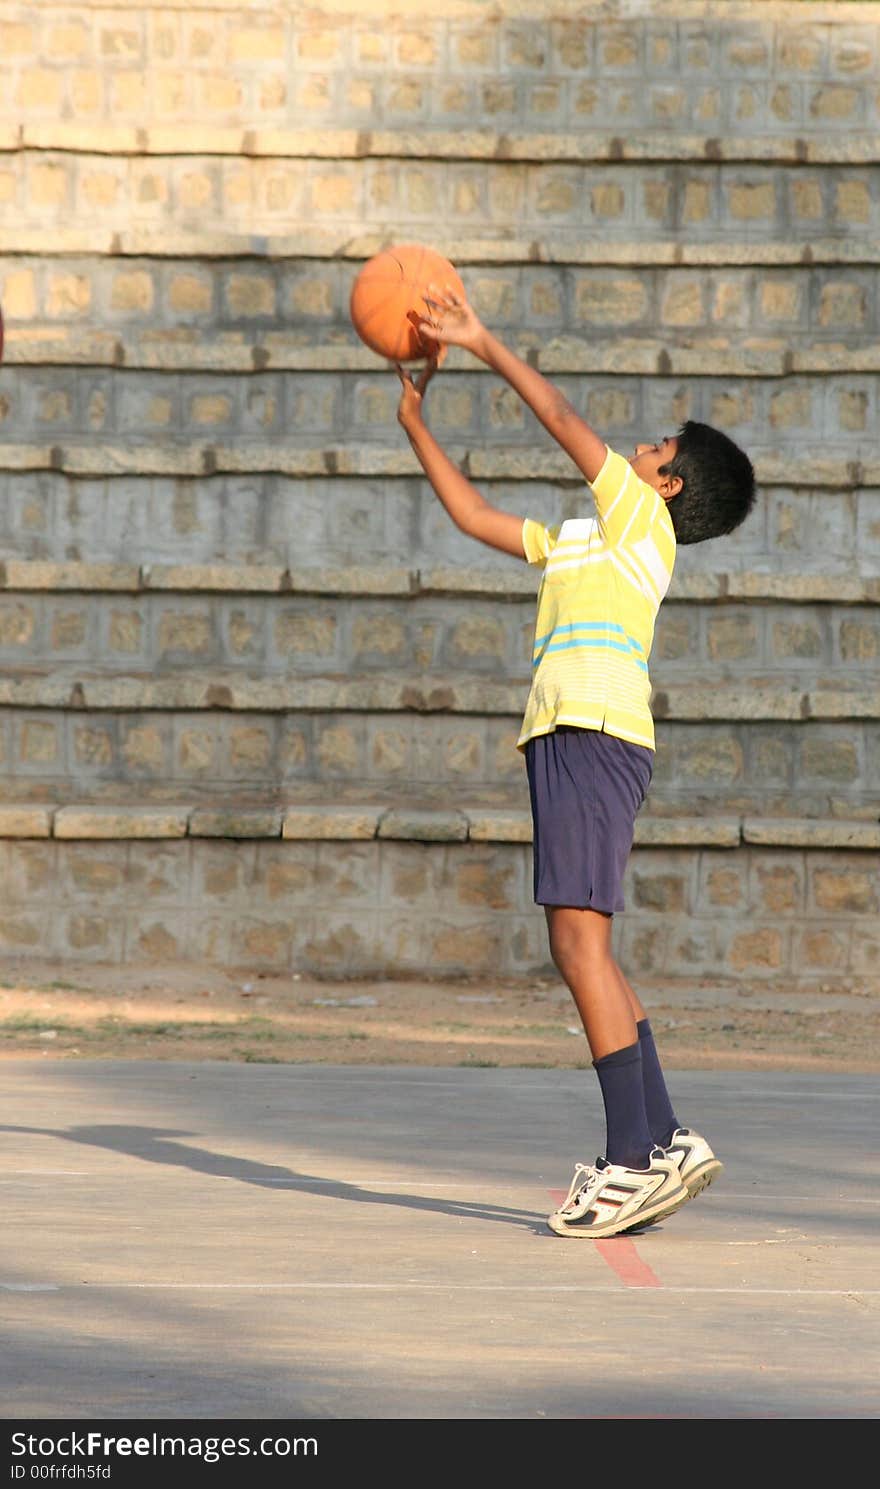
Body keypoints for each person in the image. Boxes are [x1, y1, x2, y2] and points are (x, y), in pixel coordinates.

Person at [395, 282, 756, 1240]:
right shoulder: (591, 538)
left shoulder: (639, 520)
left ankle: (630, 1161)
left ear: (667, 484)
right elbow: (475, 517)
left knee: (575, 943)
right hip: (575, 734)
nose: (638, 449)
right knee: (589, 943)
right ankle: (665, 1135)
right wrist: (413, 421)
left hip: (593, 732)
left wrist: (479, 340)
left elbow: (559, 416)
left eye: (656, 449)